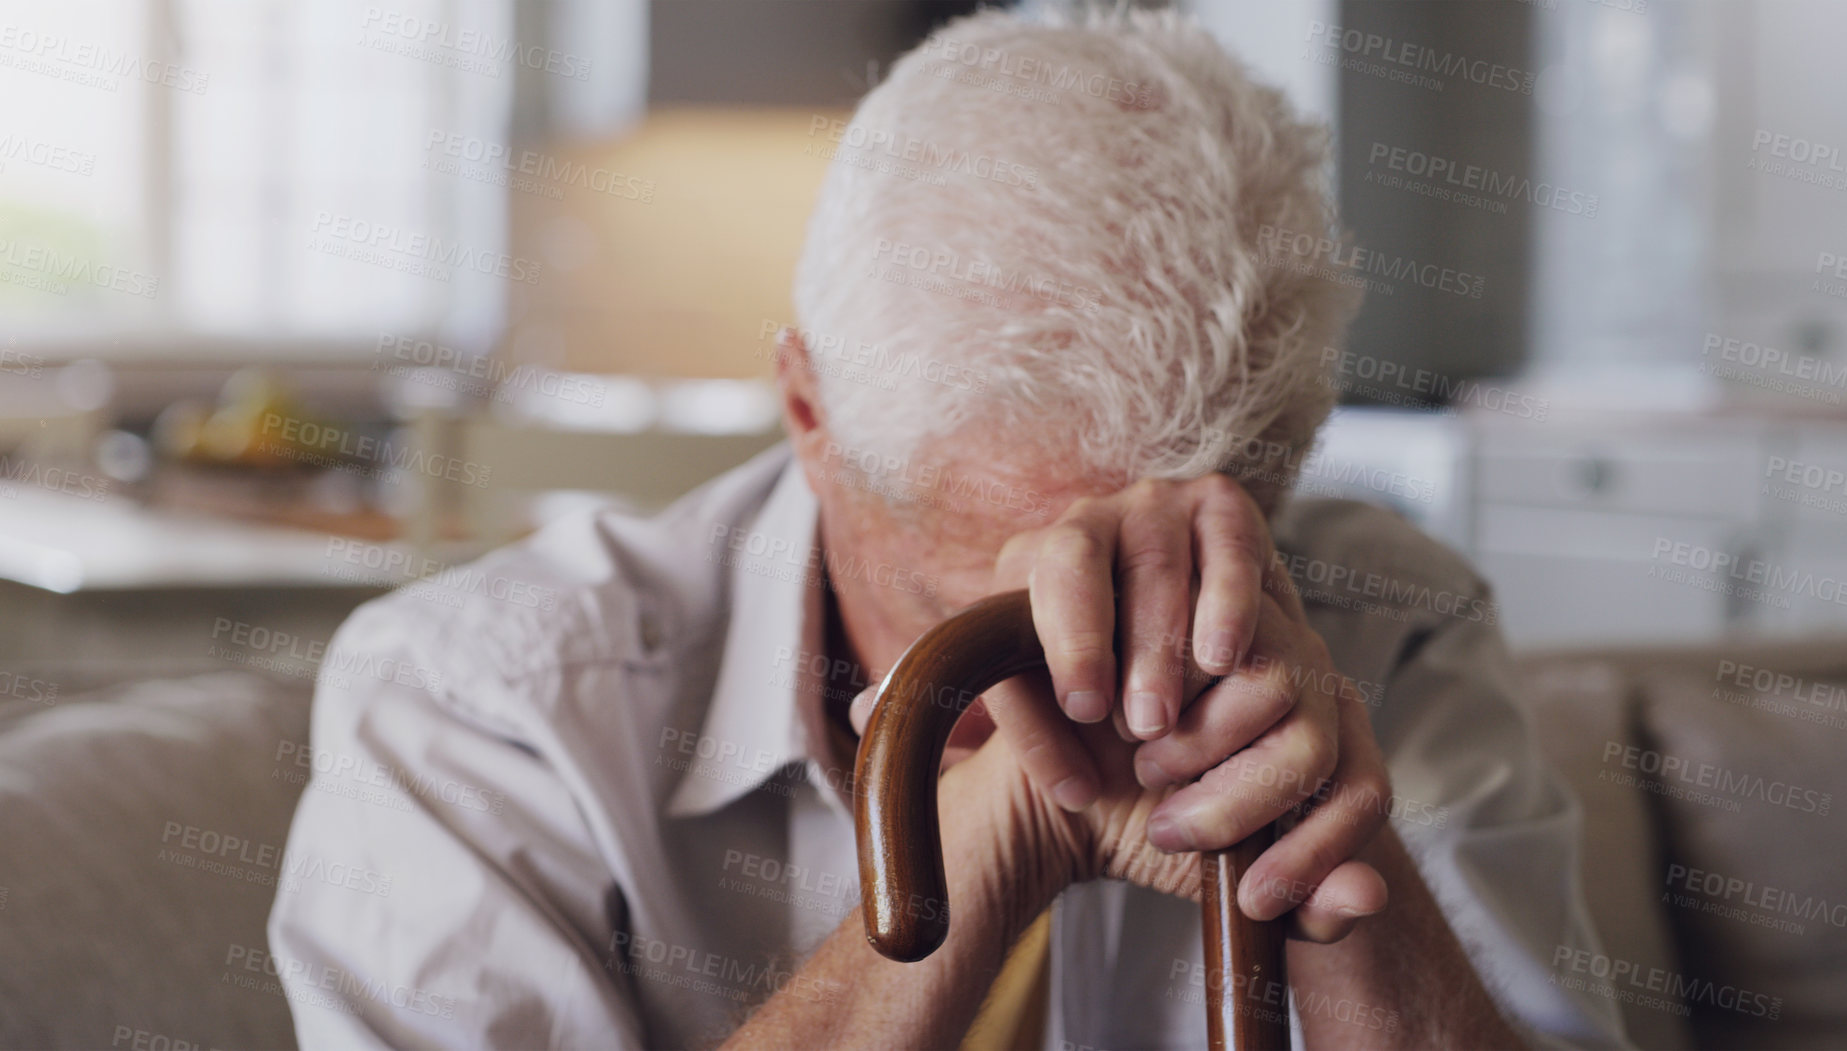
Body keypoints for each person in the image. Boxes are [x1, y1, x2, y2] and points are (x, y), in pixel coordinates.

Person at [270, 9, 1630, 1049]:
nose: (1070, 685)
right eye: (981, 613)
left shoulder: (1388, 631)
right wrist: (974, 855)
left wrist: (1345, 891)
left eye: (1166, 579)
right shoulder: (475, 703)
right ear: (807, 410)